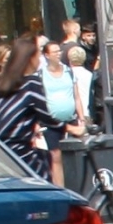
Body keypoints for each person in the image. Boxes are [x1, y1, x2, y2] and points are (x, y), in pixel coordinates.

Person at [0, 31, 51, 176]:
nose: (40, 60)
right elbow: (48, 117)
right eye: (38, 55)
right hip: (18, 151)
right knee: (42, 177)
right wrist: (70, 128)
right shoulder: (31, 83)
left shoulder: (6, 82)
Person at [39, 38, 80, 185]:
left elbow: (76, 96)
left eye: (59, 51)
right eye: (54, 51)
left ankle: (77, 185)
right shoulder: (41, 74)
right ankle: (60, 186)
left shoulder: (68, 71)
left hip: (71, 119)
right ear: (47, 55)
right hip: (52, 122)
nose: (58, 54)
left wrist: (82, 117)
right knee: (55, 156)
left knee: (76, 154)